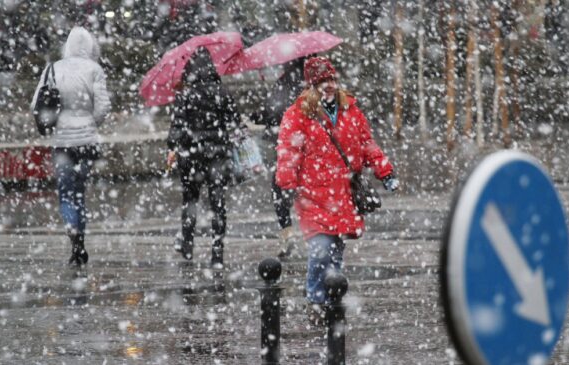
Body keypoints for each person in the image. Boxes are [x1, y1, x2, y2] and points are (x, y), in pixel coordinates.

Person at [275, 57, 400, 317]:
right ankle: (315, 299)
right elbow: (289, 151)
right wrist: (287, 182)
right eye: (322, 81)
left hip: (342, 194)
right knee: (320, 249)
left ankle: (332, 298)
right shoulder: (297, 114)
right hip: (312, 195)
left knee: (335, 251)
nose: (329, 85)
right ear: (311, 85)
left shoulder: (350, 110)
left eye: (331, 79)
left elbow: (366, 144)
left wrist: (385, 171)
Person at [30, 26, 111, 266]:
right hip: (86, 141)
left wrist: (56, 121)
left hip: (62, 142)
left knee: (65, 194)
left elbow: (36, 103)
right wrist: (89, 121)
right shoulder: (94, 70)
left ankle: (73, 239)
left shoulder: (53, 69)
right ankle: (81, 242)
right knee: (79, 193)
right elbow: (103, 107)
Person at [167, 48, 240, 269]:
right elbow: (235, 123)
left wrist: (172, 147)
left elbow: (177, 126)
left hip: (191, 156)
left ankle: (188, 245)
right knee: (218, 203)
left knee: (190, 201)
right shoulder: (223, 92)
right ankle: (217, 252)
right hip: (218, 156)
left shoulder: (186, 95)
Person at [252, 57, 306, 259]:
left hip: (282, 145)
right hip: (307, 146)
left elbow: (272, 113)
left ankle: (287, 232)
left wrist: (259, 114)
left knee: (279, 189)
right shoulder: (310, 85)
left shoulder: (283, 84)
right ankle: (317, 234)